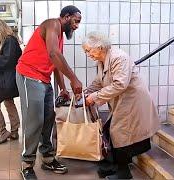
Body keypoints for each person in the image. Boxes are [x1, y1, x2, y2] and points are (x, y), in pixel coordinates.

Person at [16, 5, 83, 179]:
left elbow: (56, 63)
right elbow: (54, 53)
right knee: (34, 120)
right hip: (29, 75)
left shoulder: (60, 36)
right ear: (66, 17)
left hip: (44, 79)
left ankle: (47, 158)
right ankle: (27, 164)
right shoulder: (53, 24)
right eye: (76, 21)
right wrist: (74, 79)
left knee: (48, 118)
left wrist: (62, 88)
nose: (77, 26)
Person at [82, 32, 160, 179]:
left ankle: (123, 173)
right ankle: (114, 166)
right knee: (113, 131)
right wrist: (86, 92)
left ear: (99, 47)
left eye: (88, 50)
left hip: (133, 101)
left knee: (119, 132)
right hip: (123, 101)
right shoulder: (102, 60)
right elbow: (99, 81)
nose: (87, 54)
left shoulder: (119, 57)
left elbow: (120, 84)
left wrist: (94, 97)